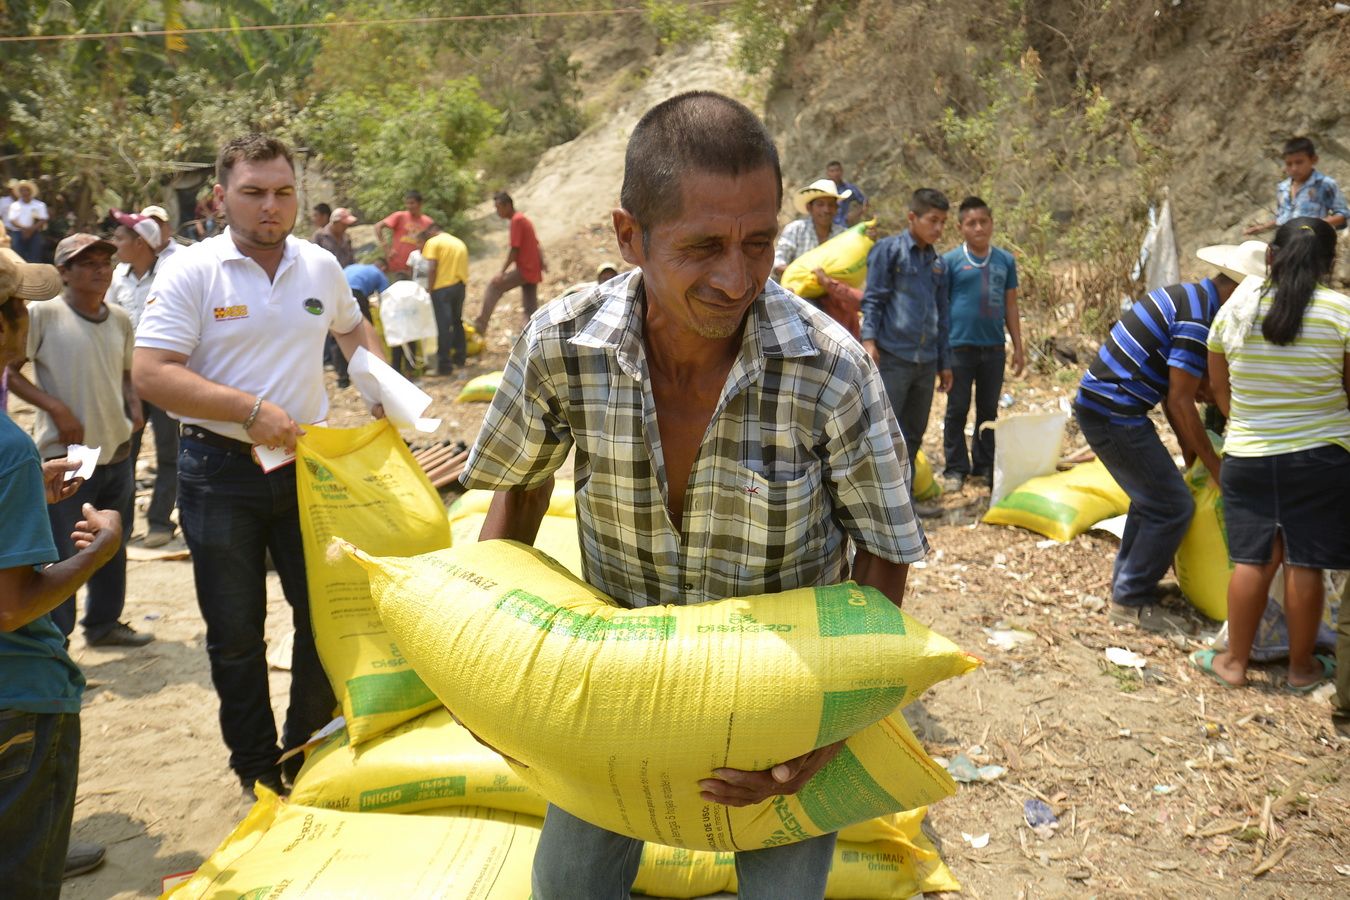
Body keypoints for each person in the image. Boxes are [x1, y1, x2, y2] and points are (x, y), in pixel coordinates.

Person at [462, 90, 926, 900]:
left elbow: (882, 550)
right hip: (610, 700)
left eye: (758, 243)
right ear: (628, 236)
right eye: (704, 246)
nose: (737, 277)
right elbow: (517, 509)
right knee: (568, 887)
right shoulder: (563, 346)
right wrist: (492, 675)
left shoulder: (830, 369)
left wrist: (828, 724)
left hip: (778, 716)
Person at [133, 133, 386, 797]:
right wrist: (249, 412)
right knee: (236, 633)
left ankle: (302, 747)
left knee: (325, 617)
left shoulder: (319, 266)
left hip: (310, 468)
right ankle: (255, 766)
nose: (270, 206)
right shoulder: (192, 271)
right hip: (220, 472)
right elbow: (152, 373)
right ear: (220, 198)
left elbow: (352, 330)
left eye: (282, 192)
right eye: (253, 193)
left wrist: (386, 392)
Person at [0, 248, 124, 896]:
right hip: (16, 701)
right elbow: (11, 606)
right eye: (18, 305)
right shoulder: (7, 445)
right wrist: (98, 551)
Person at [1191, 218, 1350, 688]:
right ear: (1330, 263)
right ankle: (1301, 669)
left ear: (1270, 257)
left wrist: (1253, 423)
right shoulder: (1341, 313)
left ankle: (1234, 664)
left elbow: (1220, 390)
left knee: (1253, 561)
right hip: (1320, 458)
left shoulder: (1236, 312)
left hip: (1249, 456)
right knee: (1305, 562)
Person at [1073, 243, 1257, 633]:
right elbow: (1179, 400)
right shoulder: (1198, 319)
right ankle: (1129, 601)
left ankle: (1129, 584)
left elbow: (1179, 403)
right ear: (1239, 292)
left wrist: (1195, 460)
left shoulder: (1191, 299)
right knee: (1171, 506)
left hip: (1111, 407)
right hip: (1113, 411)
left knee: (1154, 497)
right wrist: (1214, 466)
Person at [5, 233, 150, 647]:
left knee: (112, 541)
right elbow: (12, 370)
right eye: (86, 263)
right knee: (65, 548)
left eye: (105, 261)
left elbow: (126, 371)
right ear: (64, 272)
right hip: (67, 457)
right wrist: (56, 407)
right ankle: (58, 636)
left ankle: (104, 623)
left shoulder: (120, 317)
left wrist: (133, 403)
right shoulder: (43, 314)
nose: (100, 269)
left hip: (116, 449)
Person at [861, 188, 951, 516]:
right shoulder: (889, 251)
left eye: (943, 222)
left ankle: (904, 505)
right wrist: (869, 341)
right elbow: (873, 298)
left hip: (925, 362)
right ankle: (874, 507)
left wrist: (944, 362)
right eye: (932, 220)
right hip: (893, 357)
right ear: (912, 217)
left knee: (913, 433)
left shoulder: (938, 264)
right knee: (885, 433)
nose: (938, 228)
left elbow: (942, 313)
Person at [939, 196, 1024, 492]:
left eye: (983, 222)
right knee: (957, 408)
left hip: (994, 349)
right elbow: (941, 307)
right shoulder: (950, 262)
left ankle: (984, 465)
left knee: (988, 411)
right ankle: (955, 468)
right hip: (958, 347)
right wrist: (941, 353)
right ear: (960, 227)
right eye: (971, 223)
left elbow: (1011, 306)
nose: (978, 228)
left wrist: (1018, 346)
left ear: (991, 224)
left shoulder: (1005, 261)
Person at [107, 210, 179, 547]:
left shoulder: (171, 274)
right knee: (124, 452)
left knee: (169, 452)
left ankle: (160, 523)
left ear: (140, 243)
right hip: (126, 377)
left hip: (165, 378)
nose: (114, 244)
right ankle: (120, 526)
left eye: (120, 238)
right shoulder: (117, 277)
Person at [472, 192, 544, 336]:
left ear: (508, 205)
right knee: (530, 309)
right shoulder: (523, 219)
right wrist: (542, 262)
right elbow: (536, 243)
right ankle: (532, 337)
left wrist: (502, 272)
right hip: (532, 268)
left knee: (494, 286)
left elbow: (514, 249)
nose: (497, 211)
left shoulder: (517, 220)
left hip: (525, 269)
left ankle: (480, 325)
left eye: (498, 207)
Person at [1244, 137, 1348, 237]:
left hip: (1312, 242)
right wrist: (1262, 228)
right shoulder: (1283, 188)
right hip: (1286, 242)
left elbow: (1342, 215)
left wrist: (1312, 225)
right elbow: (1283, 218)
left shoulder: (1325, 184)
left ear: (1314, 160)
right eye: (1289, 164)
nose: (1294, 168)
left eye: (1299, 162)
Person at [419, 223, 470, 375]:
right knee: (457, 321)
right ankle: (460, 358)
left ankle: (444, 365)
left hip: (442, 289)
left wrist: (430, 287)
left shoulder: (433, 242)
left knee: (443, 325)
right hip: (460, 286)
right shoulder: (458, 242)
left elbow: (432, 267)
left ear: (432, 231)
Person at [773, 178, 848, 278]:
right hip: (795, 289)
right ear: (809, 208)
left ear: (836, 209)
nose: (826, 210)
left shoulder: (843, 235)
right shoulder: (796, 229)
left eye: (831, 205)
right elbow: (778, 262)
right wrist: (802, 276)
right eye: (820, 204)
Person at [334, 258, 388, 389]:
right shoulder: (378, 273)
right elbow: (387, 295)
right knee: (365, 334)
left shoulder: (355, 266)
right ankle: (373, 373)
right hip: (355, 294)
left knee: (339, 335)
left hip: (336, 293)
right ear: (383, 268)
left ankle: (342, 379)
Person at [376, 191, 434, 276]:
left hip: (417, 268)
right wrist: (386, 248)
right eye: (407, 203)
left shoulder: (428, 222)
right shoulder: (400, 216)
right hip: (396, 264)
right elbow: (378, 226)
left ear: (420, 203)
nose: (409, 206)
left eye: (412, 203)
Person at [7, 180, 49, 263]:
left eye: (26, 190)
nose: (25, 192)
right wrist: (26, 229)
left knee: (35, 257)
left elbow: (43, 219)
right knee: (17, 257)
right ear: (20, 192)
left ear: (31, 191)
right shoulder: (14, 205)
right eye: (22, 190)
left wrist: (31, 230)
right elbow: (12, 220)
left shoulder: (39, 205)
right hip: (18, 233)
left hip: (35, 233)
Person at [825, 161, 867, 227]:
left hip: (843, 226)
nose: (835, 173)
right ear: (828, 173)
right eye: (832, 171)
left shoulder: (849, 188)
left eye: (837, 170)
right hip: (826, 227)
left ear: (842, 171)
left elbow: (864, 202)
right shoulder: (823, 189)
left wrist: (855, 214)